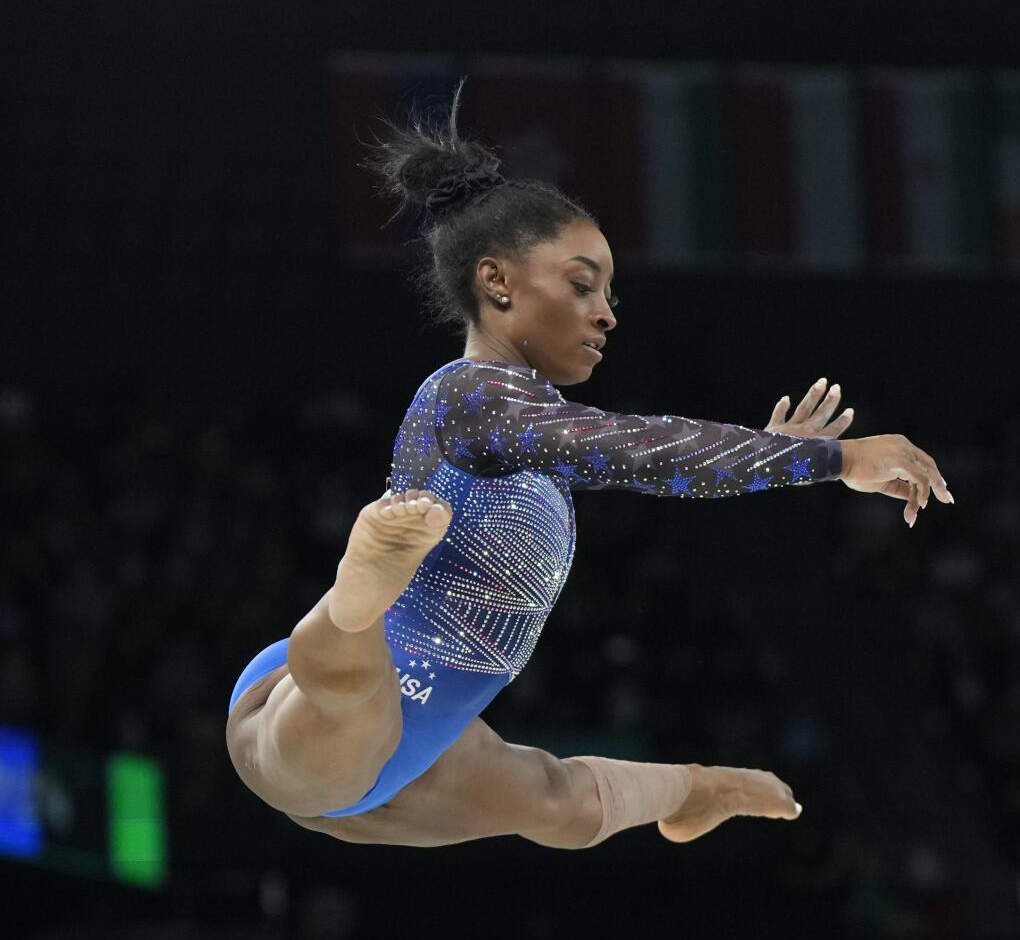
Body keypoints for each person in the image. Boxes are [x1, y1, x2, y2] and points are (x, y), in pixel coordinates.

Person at [226, 86, 951, 852]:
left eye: (608, 292)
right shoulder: (473, 396)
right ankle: (356, 597)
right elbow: (637, 449)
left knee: (557, 804)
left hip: (411, 746)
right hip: (321, 711)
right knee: (340, 717)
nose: (606, 312)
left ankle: (700, 787)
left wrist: (763, 452)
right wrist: (831, 458)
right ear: (496, 282)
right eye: (580, 284)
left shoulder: (532, 430)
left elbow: (636, 456)